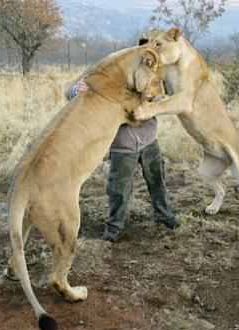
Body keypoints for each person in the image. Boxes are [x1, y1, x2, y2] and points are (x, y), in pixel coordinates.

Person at [67, 78, 180, 242]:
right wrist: (76, 90)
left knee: (157, 181)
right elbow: (71, 90)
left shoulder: (142, 71)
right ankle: (114, 228)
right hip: (122, 144)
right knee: (119, 189)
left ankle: (163, 216)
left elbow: (167, 89)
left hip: (149, 139)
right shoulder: (106, 72)